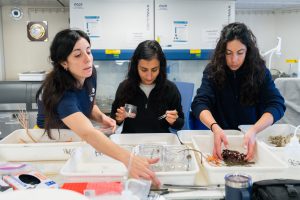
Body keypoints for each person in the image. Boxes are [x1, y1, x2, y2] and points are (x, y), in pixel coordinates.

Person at [36, 29, 160, 186]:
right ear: (63, 62)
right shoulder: (62, 95)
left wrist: (101, 117)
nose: (88, 59)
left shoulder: (89, 73)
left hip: (74, 136)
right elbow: (88, 133)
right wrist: (129, 160)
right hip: (51, 141)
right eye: (77, 55)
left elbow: (88, 102)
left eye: (88, 51)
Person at [191, 22, 285, 161]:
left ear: (248, 51)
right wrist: (215, 128)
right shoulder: (212, 71)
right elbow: (200, 103)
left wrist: (253, 130)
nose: (233, 60)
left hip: (252, 139)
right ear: (222, 52)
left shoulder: (259, 71)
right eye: (228, 53)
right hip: (221, 138)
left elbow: (277, 104)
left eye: (240, 53)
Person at [111, 40, 184, 133]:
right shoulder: (125, 87)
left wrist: (175, 121)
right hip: (131, 141)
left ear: (160, 67)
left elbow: (180, 124)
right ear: (135, 67)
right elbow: (113, 119)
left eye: (154, 70)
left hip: (160, 142)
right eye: (144, 69)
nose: (149, 77)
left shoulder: (170, 89)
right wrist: (119, 118)